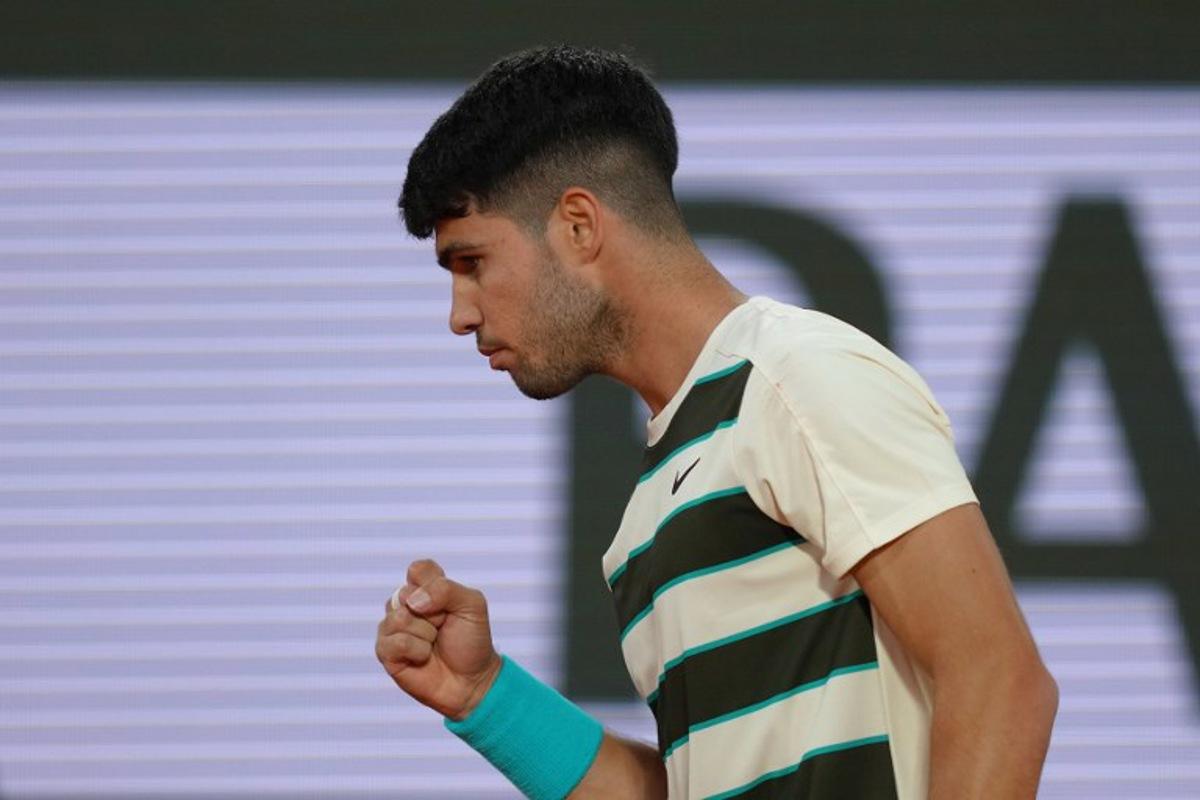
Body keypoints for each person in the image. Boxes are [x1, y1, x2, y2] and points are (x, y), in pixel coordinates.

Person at [375, 45, 1058, 799]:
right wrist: (488, 700)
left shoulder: (795, 378)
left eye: (471, 262)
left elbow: (998, 679)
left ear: (577, 226)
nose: (459, 315)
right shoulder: (651, 507)